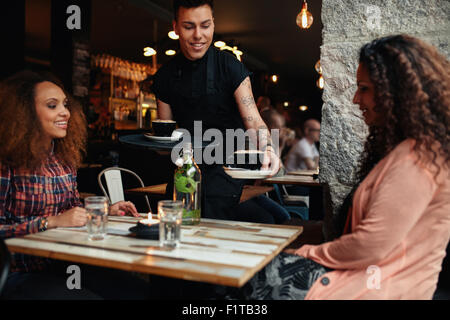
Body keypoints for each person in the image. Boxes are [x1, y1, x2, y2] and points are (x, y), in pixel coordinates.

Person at [228, 34, 450, 300]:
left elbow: (371, 246)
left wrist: (307, 251)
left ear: (394, 91)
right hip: (376, 281)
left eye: (364, 88)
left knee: (238, 283)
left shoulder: (417, 159)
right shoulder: (416, 150)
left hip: (374, 289)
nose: (356, 99)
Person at [0, 70, 148, 299]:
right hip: (18, 272)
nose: (65, 113)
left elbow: (70, 210)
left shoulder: (62, 159)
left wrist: (103, 211)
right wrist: (49, 222)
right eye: (52, 105)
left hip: (66, 262)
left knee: (138, 292)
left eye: (65, 105)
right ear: (24, 113)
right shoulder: (7, 162)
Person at [153, 0, 280, 222]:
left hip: (227, 177)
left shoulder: (230, 67)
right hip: (185, 178)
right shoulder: (165, 76)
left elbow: (254, 121)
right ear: (175, 27)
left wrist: (268, 148)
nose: (198, 35)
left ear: (213, 24)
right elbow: (166, 141)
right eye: (188, 26)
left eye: (205, 25)